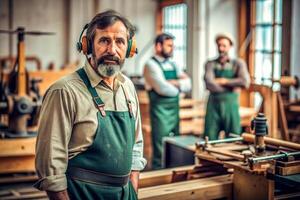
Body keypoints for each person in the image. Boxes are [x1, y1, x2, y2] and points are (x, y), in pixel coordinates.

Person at [34, 10, 146, 200]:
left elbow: (136, 146)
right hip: (82, 194)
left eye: (119, 41)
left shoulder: (127, 87)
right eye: (104, 41)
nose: (112, 49)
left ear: (129, 49)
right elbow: (51, 168)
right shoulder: (64, 91)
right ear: (88, 46)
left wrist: (132, 189)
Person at [143, 33, 191, 170]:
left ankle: (173, 173)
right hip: (160, 112)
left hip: (174, 111)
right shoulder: (150, 65)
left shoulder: (173, 64)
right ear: (158, 46)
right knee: (160, 145)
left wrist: (174, 83)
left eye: (173, 46)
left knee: (175, 143)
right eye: (169, 45)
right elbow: (163, 89)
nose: (172, 49)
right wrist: (180, 88)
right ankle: (157, 173)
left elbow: (189, 84)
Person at [204, 33, 250, 140]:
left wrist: (223, 81)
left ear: (230, 46)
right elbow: (209, 84)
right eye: (219, 45)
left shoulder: (238, 63)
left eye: (224, 45)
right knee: (209, 138)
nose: (221, 48)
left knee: (234, 138)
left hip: (231, 106)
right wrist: (231, 87)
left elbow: (245, 82)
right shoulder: (210, 64)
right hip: (213, 106)